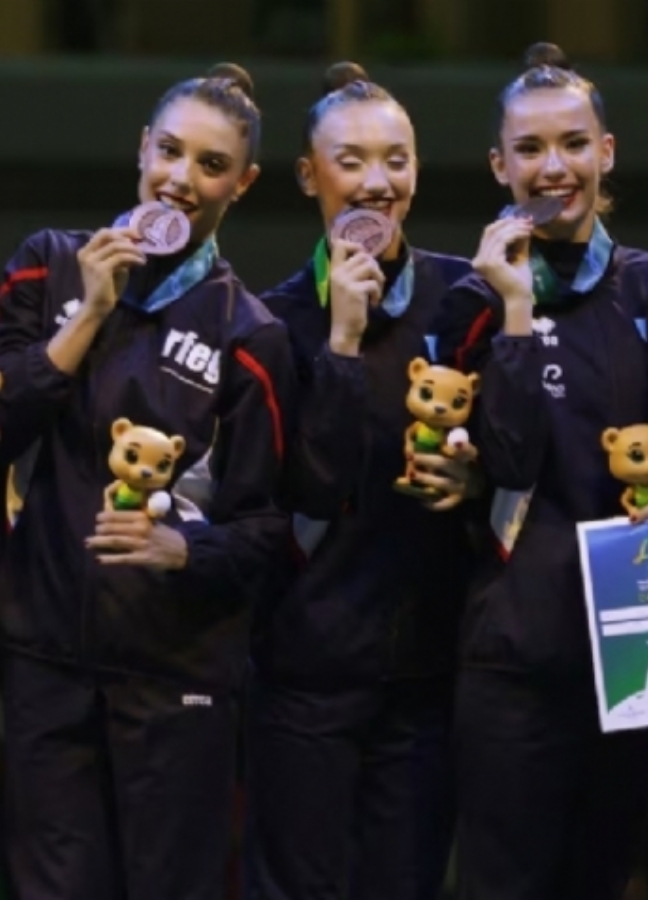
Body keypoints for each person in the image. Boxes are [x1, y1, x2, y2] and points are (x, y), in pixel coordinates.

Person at [0, 63, 296, 900]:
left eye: (211, 164)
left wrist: (184, 551)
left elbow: (268, 530)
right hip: (45, 663)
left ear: (243, 183)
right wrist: (90, 314)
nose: (181, 179)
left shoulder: (251, 335)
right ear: (141, 149)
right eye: (169, 151)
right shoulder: (48, 267)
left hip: (177, 681)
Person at [432, 42, 648, 900]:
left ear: (606, 152)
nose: (553, 167)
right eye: (529, 149)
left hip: (639, 647)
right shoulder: (473, 301)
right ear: (500, 165)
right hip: (514, 653)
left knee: (602, 879)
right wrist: (518, 308)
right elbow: (509, 459)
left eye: (573, 143)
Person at [244, 62, 478, 900]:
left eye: (396, 160)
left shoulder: (466, 299)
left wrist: (477, 474)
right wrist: (342, 341)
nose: (377, 183)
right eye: (351, 162)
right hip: (304, 675)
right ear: (309, 176)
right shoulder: (272, 322)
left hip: (428, 676)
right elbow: (302, 487)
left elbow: (521, 455)